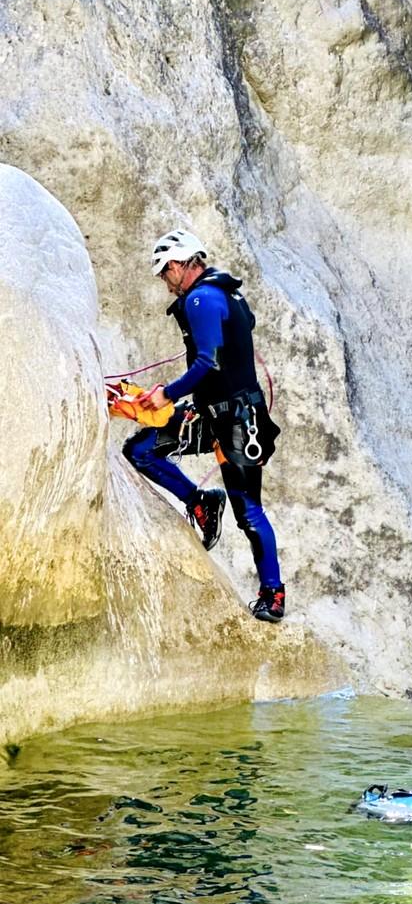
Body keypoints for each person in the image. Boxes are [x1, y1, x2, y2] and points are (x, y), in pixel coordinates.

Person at [122, 229, 285, 623]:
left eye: (165, 273)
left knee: (248, 511)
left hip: (235, 421)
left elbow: (207, 362)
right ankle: (201, 502)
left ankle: (273, 594)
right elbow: (244, 325)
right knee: (139, 449)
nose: (165, 282)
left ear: (179, 265)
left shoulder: (200, 298)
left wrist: (167, 394)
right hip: (213, 412)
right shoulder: (224, 294)